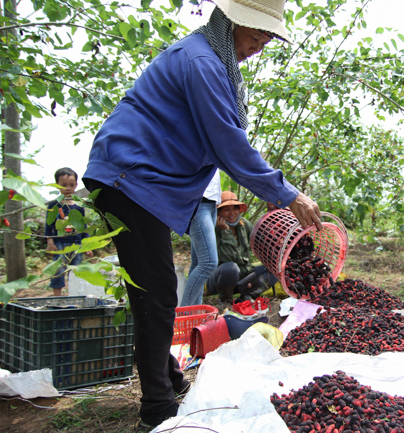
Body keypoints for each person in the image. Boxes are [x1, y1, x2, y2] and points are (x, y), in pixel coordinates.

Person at [81, 0, 322, 429]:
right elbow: (229, 145)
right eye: (255, 37)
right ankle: (157, 407)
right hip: (130, 178)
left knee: (155, 291)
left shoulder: (211, 59)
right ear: (232, 24)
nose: (259, 47)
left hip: (142, 181)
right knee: (155, 295)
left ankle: (169, 379)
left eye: (266, 39)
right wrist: (288, 195)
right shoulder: (202, 64)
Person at [204, 191, 278, 303]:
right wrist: (226, 232)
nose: (232, 213)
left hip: (243, 276)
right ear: (219, 212)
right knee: (230, 268)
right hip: (220, 280)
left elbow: (260, 244)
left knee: (275, 268)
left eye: (235, 209)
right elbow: (227, 259)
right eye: (227, 210)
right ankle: (225, 299)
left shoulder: (244, 225)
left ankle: (248, 296)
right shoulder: (213, 229)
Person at [45, 168, 94, 297]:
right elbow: (48, 225)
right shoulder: (53, 205)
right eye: (64, 185)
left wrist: (87, 244)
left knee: (76, 271)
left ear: (76, 186)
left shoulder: (79, 206)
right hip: (60, 243)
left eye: (71, 185)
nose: (68, 188)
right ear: (57, 185)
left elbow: (83, 226)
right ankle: (57, 297)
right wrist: (50, 242)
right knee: (58, 270)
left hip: (77, 244)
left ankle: (75, 296)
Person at [180, 171, 221, 307]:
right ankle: (183, 312)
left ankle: (194, 312)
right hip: (200, 200)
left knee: (198, 262)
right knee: (208, 263)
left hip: (212, 202)